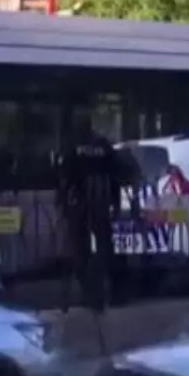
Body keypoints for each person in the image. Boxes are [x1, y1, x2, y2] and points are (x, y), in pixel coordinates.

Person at [55, 116, 124, 311]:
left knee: (79, 250)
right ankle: (107, 292)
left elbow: (64, 179)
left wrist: (62, 205)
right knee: (104, 248)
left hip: (79, 205)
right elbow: (115, 177)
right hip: (101, 205)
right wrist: (115, 204)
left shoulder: (73, 147)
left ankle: (88, 293)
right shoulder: (104, 146)